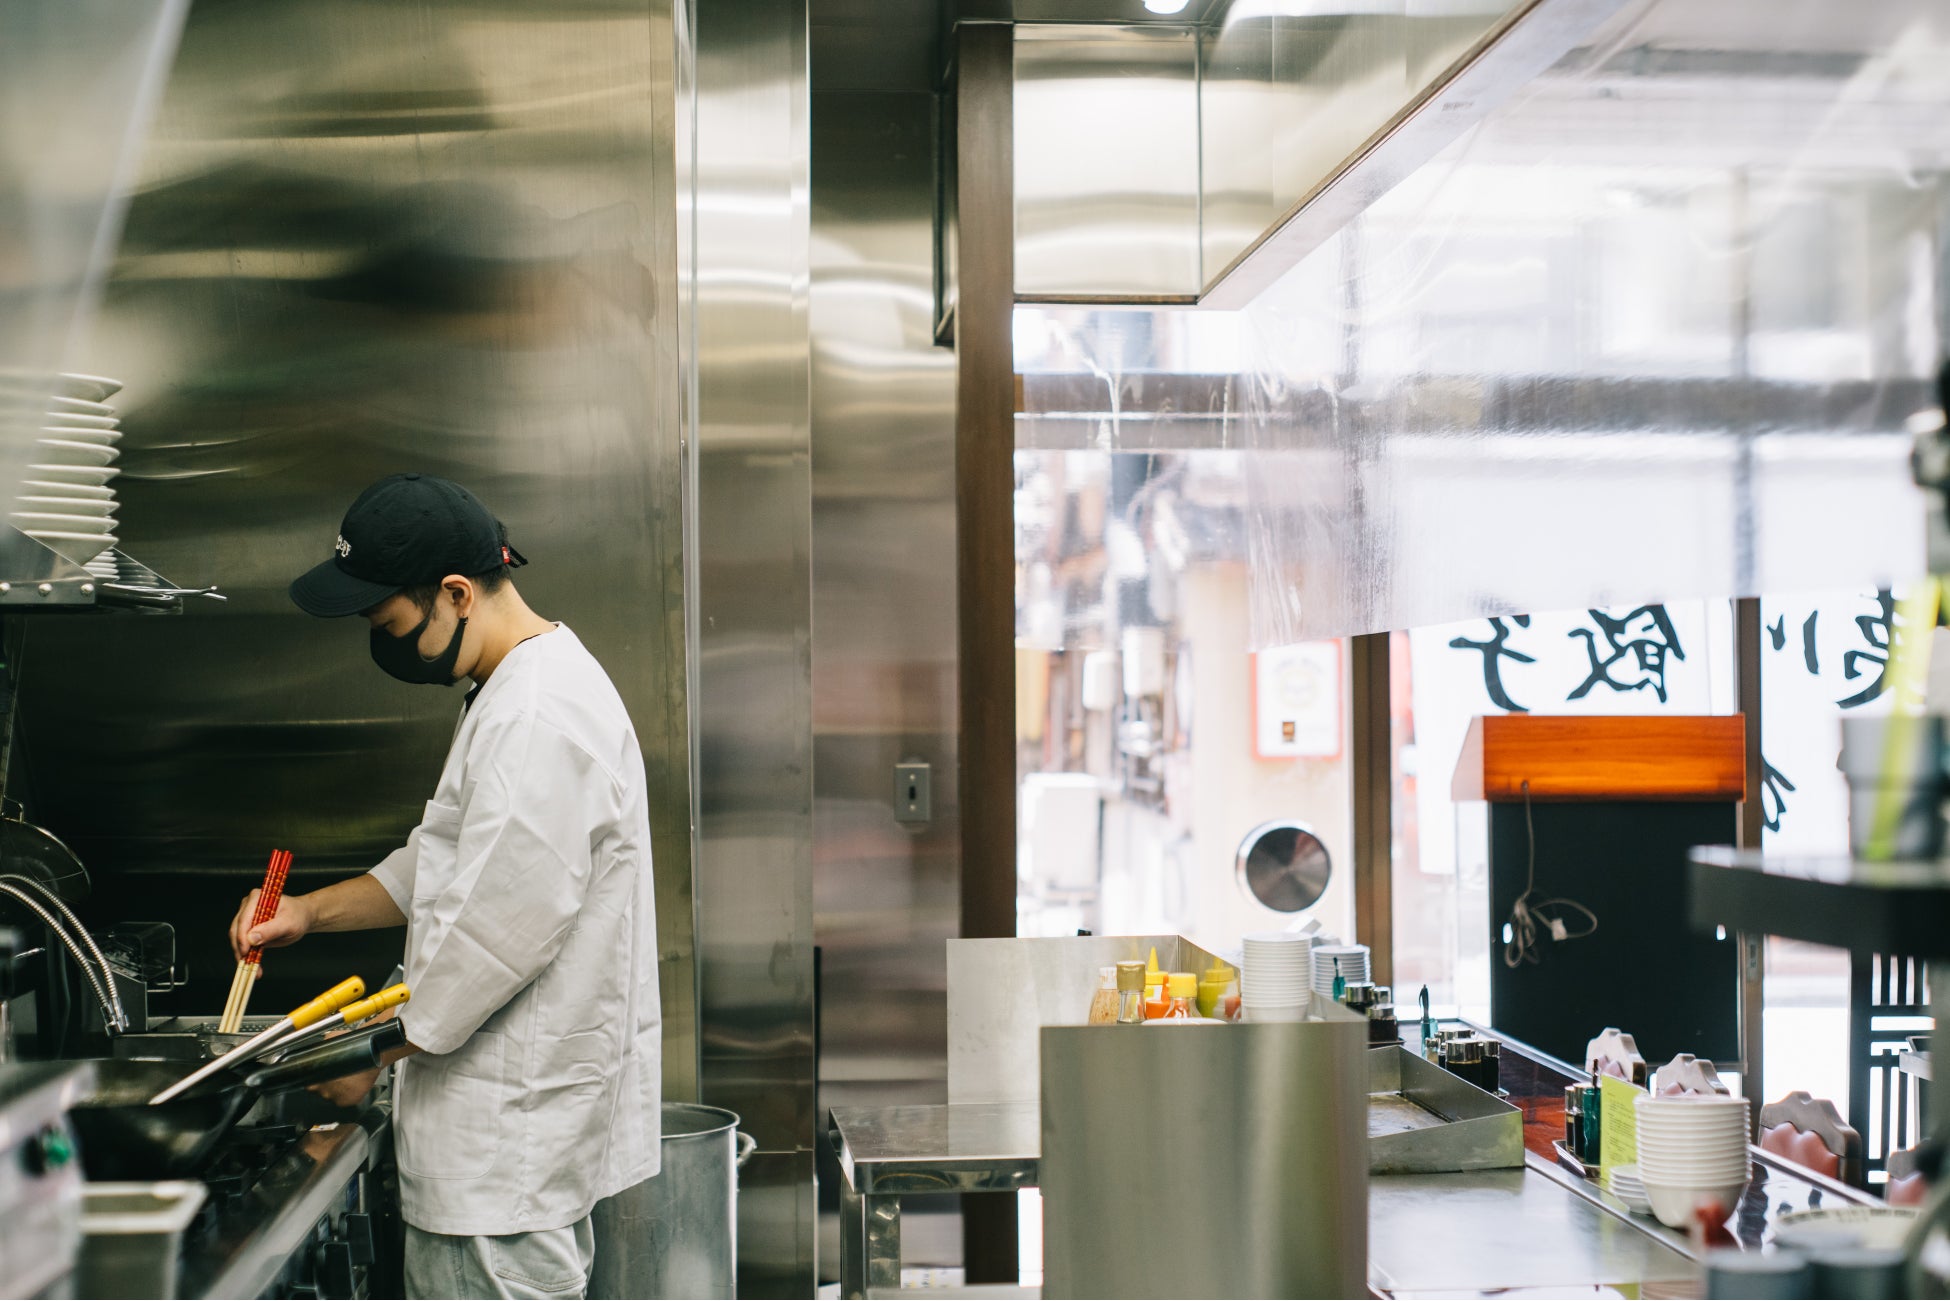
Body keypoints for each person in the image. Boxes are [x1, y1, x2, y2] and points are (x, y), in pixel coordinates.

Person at [230, 472, 661, 1300]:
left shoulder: (538, 717)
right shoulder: (506, 694)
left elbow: (493, 940)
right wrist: (307, 913)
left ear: (456, 593)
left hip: (501, 1165)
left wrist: (368, 1055)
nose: (384, 645)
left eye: (389, 623)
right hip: (494, 1158)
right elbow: (443, 860)